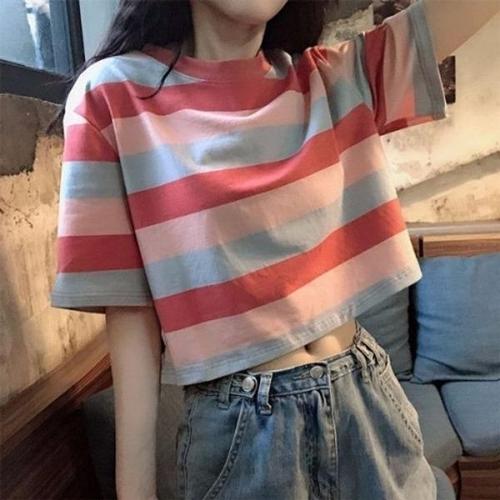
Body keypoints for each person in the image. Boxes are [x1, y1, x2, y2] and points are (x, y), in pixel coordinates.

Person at [48, 0, 500, 499]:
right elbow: (131, 311)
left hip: (367, 400)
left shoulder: (332, 78)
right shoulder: (112, 96)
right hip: (243, 433)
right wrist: (136, 493)